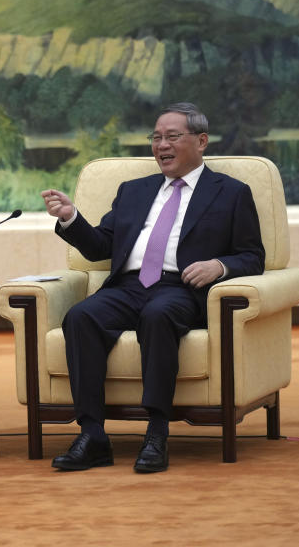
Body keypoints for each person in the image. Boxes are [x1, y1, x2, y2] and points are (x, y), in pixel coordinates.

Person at [40, 102, 264, 473]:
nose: (162, 145)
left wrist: (218, 266)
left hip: (180, 289)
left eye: (172, 136)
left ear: (201, 141)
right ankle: (93, 435)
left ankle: (157, 433)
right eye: (156, 137)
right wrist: (71, 218)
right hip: (127, 286)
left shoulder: (231, 192)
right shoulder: (134, 191)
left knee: (157, 315)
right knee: (81, 317)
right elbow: (100, 248)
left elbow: (253, 256)